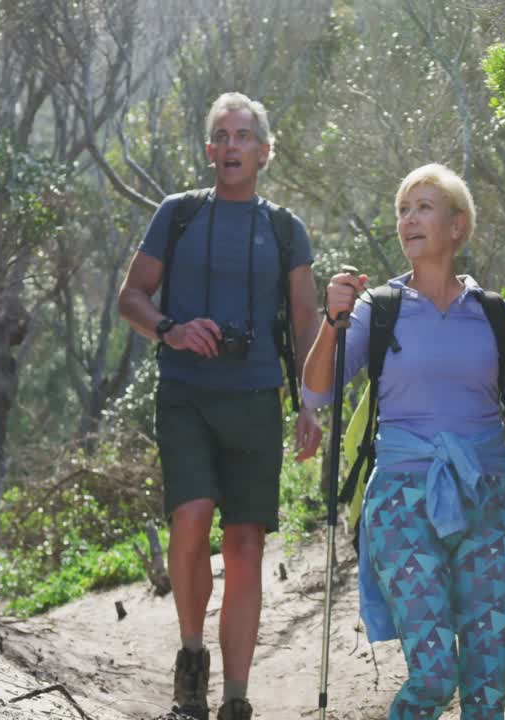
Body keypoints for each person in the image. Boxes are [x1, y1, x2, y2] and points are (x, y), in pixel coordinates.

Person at [302, 163, 505, 720]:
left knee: (486, 687)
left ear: (457, 225)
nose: (409, 219)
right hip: (401, 501)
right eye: (403, 209)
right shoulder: (378, 309)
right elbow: (316, 391)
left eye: (423, 206)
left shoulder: (494, 314)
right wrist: (332, 322)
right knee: (433, 674)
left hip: (490, 500)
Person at [117, 92, 322, 720]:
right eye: (221, 136)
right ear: (210, 150)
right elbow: (132, 297)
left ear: (263, 151)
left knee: (245, 547)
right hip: (185, 393)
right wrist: (171, 330)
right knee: (191, 516)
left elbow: (306, 321)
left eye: (243, 137)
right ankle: (190, 660)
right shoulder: (177, 214)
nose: (231, 146)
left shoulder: (286, 229)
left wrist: (311, 404)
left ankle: (235, 698)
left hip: (258, 399)